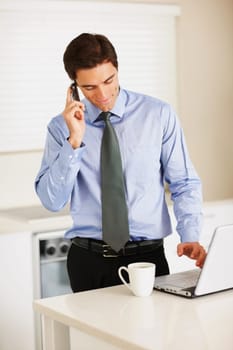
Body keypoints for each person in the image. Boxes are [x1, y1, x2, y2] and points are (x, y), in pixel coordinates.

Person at [35, 33, 206, 293]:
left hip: (147, 260)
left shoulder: (157, 114)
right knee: (89, 335)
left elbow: (183, 182)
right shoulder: (61, 128)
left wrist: (190, 234)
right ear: (74, 86)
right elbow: (52, 200)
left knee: (148, 333)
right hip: (87, 260)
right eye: (90, 87)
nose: (103, 94)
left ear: (117, 68)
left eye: (109, 80)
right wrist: (74, 141)